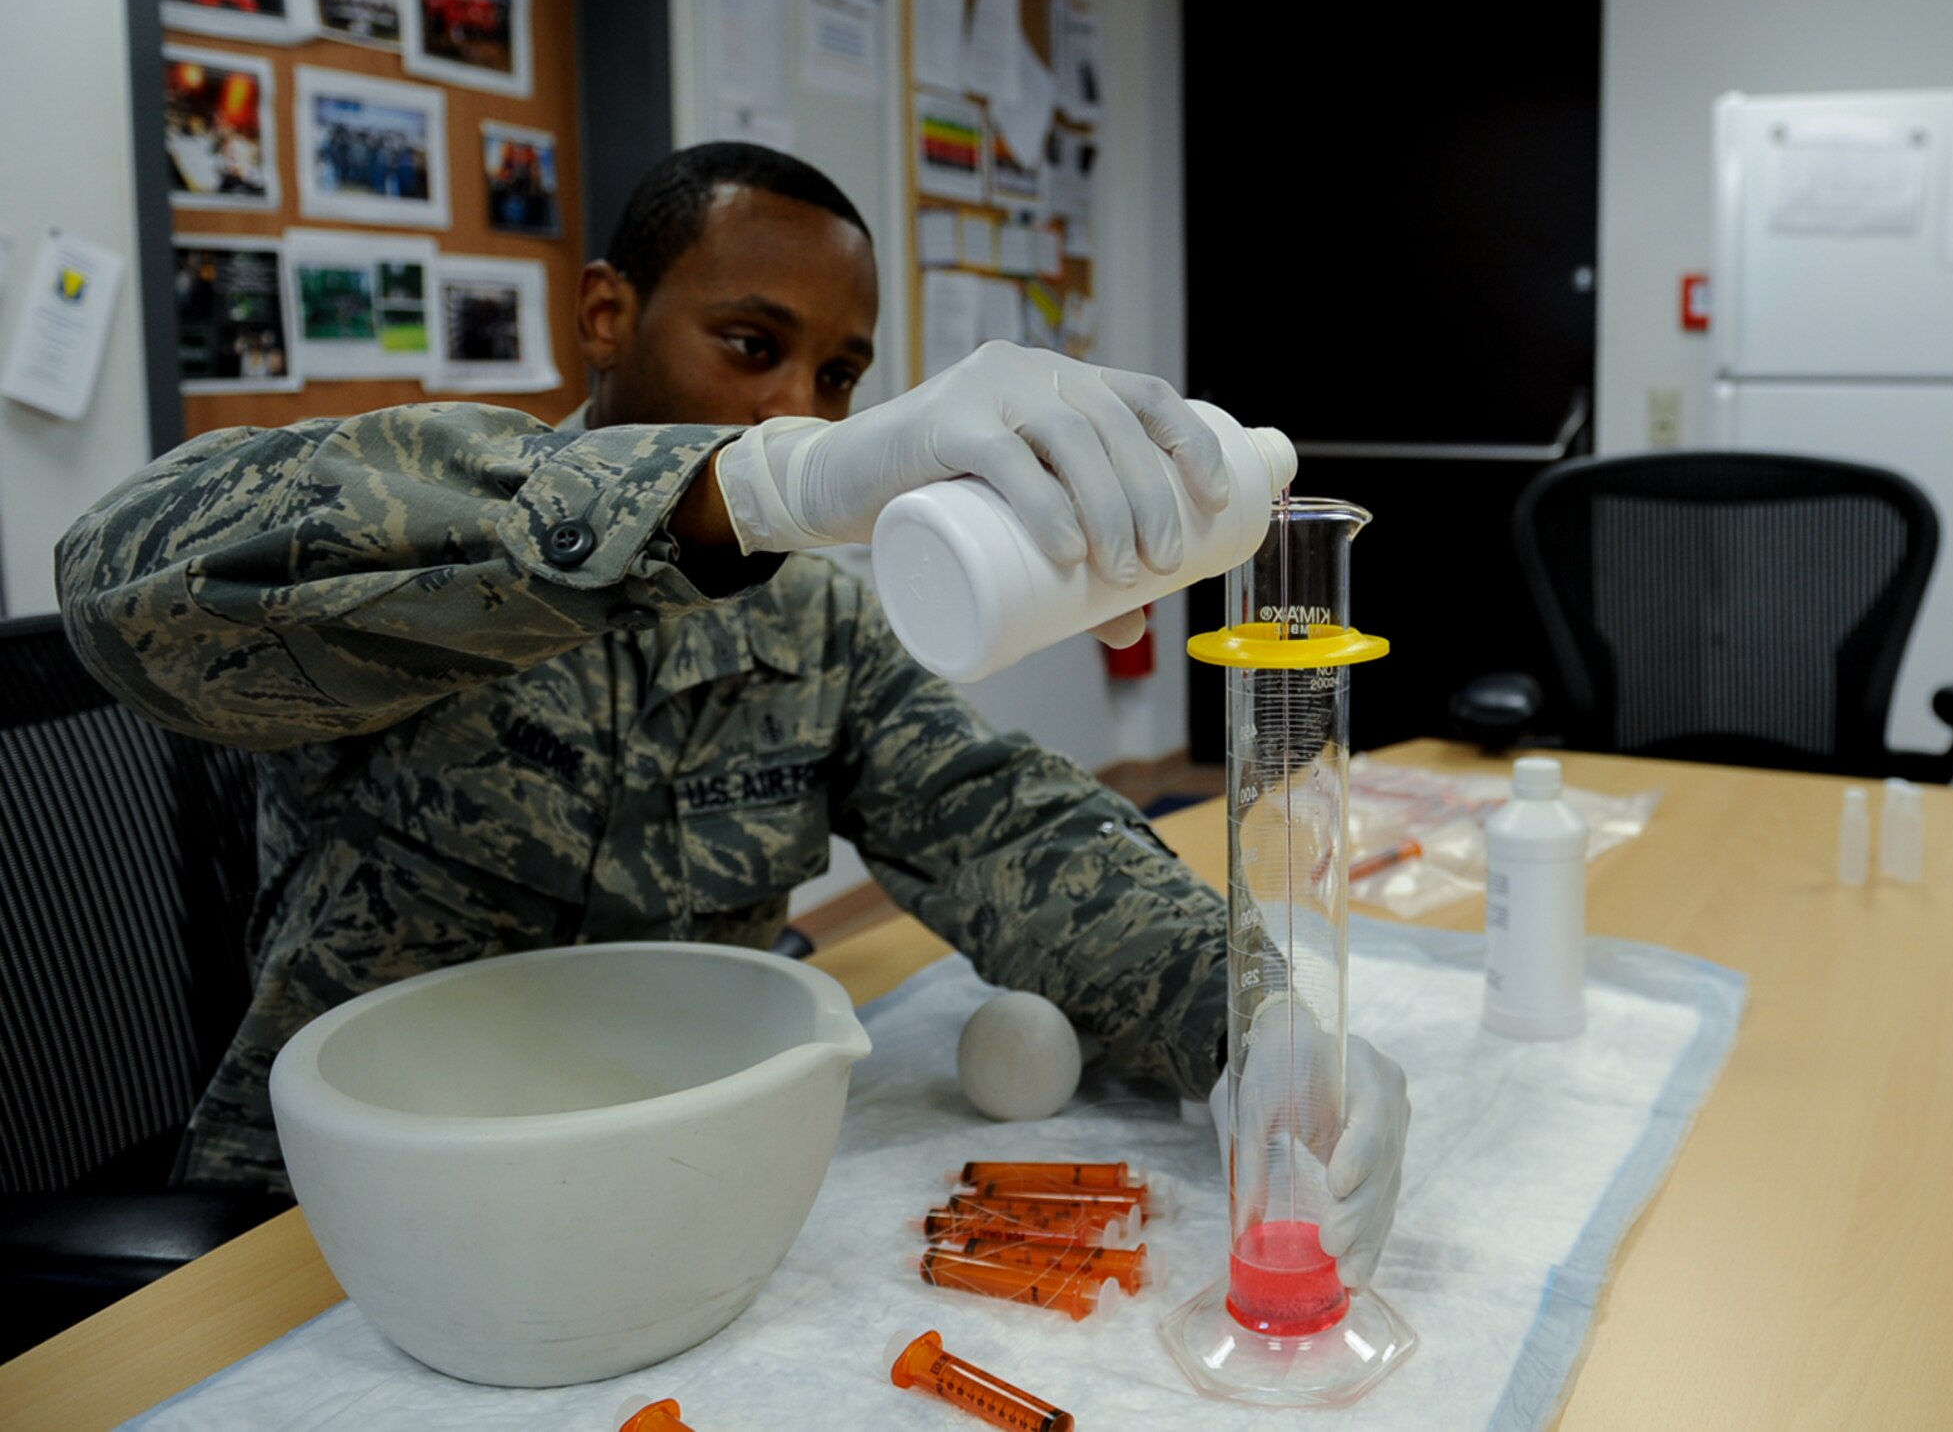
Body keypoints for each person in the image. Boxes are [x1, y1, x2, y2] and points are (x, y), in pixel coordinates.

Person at [57, 144, 1409, 1285]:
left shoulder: (810, 629)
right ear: (606, 314)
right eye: (751, 347)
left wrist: (1253, 1025)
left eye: (835, 382)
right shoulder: (423, 561)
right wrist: (755, 484)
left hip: (674, 1219)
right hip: (352, 1242)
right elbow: (119, 583)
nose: (793, 406)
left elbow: (1012, 830)